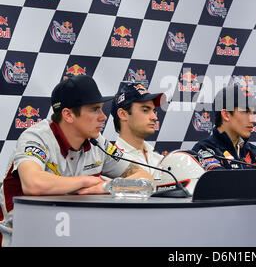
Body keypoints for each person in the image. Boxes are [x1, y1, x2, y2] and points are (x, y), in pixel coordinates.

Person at [0, 75, 152, 247]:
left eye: (102, 109)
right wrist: (88, 181)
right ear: (68, 115)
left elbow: (143, 176)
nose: (103, 117)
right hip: (22, 237)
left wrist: (107, 187)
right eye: (95, 109)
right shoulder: (36, 137)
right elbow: (33, 184)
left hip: (70, 236)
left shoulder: (97, 142)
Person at [192, 84, 256, 170]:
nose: (253, 119)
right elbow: (225, 182)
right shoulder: (204, 150)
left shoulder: (252, 150)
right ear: (226, 115)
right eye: (246, 112)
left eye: (253, 113)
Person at [110, 82, 166, 177]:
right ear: (123, 114)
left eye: (154, 111)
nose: (154, 117)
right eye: (145, 110)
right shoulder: (110, 163)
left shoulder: (161, 160)